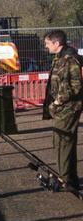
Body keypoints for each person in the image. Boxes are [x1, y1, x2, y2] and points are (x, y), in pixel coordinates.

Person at [42, 30, 82, 191]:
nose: (46, 46)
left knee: (63, 141)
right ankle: (69, 177)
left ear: (56, 43)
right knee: (62, 141)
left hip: (68, 108)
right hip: (62, 108)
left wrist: (57, 103)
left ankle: (64, 178)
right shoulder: (59, 59)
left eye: (47, 43)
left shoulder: (70, 60)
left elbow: (75, 87)